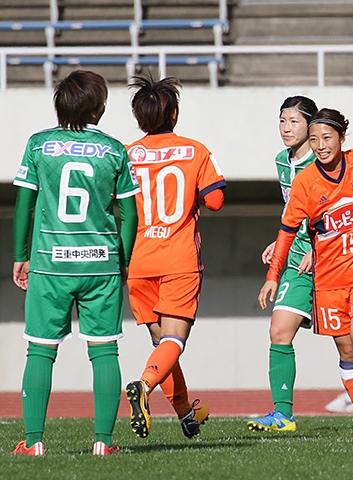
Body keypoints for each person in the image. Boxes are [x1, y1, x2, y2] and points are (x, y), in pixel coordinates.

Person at [11, 70, 139, 456]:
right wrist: (123, 261)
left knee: (40, 349)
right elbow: (130, 215)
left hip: (51, 262)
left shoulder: (39, 144)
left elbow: (24, 206)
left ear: (60, 105)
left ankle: (34, 443)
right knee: (104, 350)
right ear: (100, 107)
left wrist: (21, 256)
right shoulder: (116, 151)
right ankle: (104, 442)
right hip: (100, 263)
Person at [259, 108, 353, 435]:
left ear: (342, 138)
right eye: (315, 139)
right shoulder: (304, 180)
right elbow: (287, 230)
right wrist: (272, 276)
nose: (320, 145)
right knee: (346, 349)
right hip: (329, 279)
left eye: (327, 138)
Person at [124, 74, 226, 439]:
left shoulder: (127, 153)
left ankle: (186, 413)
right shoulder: (195, 150)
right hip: (178, 257)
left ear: (139, 119)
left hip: (138, 260)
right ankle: (144, 386)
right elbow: (215, 200)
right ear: (175, 114)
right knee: (174, 340)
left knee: (162, 344)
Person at [246, 96, 319, 432]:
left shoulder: (323, 162)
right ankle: (283, 414)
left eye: (293, 122)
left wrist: (320, 248)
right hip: (296, 260)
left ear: (310, 125)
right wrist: (282, 241)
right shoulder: (281, 161)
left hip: (331, 256)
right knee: (279, 330)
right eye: (282, 121)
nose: (286, 129)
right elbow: (294, 211)